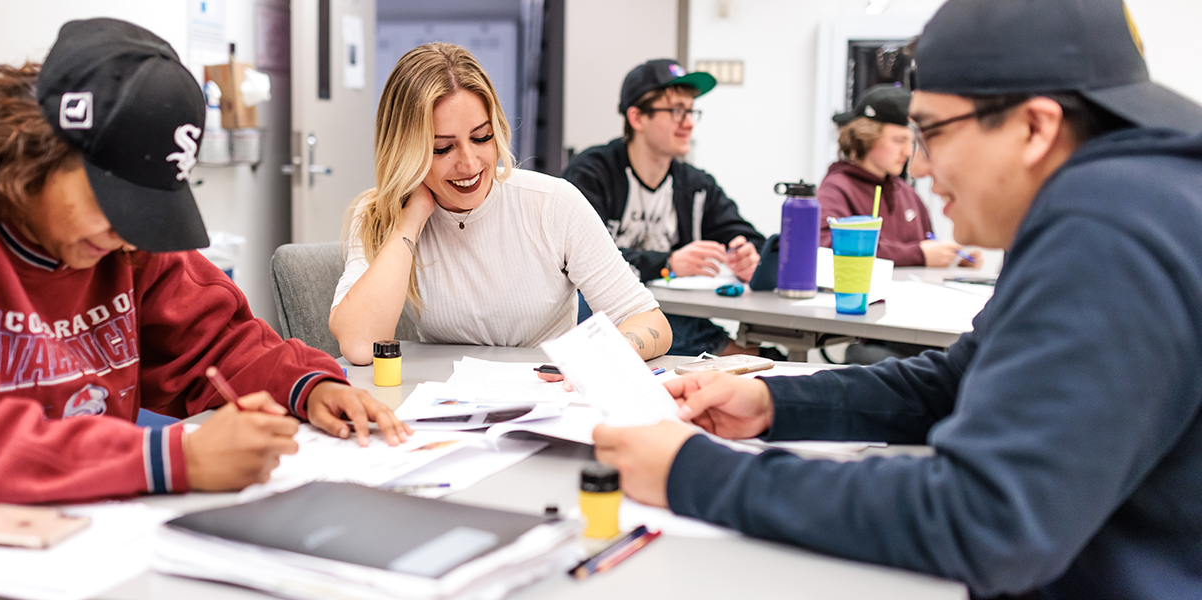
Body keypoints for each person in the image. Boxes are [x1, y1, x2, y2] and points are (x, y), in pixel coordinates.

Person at [591, 0, 1202, 597]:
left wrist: (691, 471)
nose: (920, 167)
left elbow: (982, 520)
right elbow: (954, 381)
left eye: (930, 132)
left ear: (1035, 126)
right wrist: (772, 399)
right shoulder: (1129, 197)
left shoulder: (1107, 228)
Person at [0, 19, 408, 594]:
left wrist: (305, 387)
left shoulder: (120, 241)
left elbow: (217, 343)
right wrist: (170, 458)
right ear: (39, 146)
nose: (126, 235)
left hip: (63, 543)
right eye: (115, 204)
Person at [329, 43, 670, 366]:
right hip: (444, 408)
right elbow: (360, 346)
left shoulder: (552, 204)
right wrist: (410, 221)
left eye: (481, 137)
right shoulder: (381, 215)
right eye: (442, 148)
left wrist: (602, 357)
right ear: (406, 151)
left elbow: (647, 320)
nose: (469, 163)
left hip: (548, 398)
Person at [564, 59, 764, 357]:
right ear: (637, 118)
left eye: (691, 110)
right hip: (602, 317)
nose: (689, 122)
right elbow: (577, 259)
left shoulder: (695, 185)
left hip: (667, 324)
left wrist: (748, 256)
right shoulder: (592, 174)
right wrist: (667, 263)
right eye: (676, 111)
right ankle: (731, 351)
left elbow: (744, 235)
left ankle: (734, 353)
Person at [818, 83, 981, 267]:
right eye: (898, 140)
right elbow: (825, 248)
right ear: (865, 136)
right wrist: (918, 255)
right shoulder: (837, 189)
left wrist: (954, 259)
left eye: (912, 142)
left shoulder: (906, 193)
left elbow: (927, 243)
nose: (908, 152)